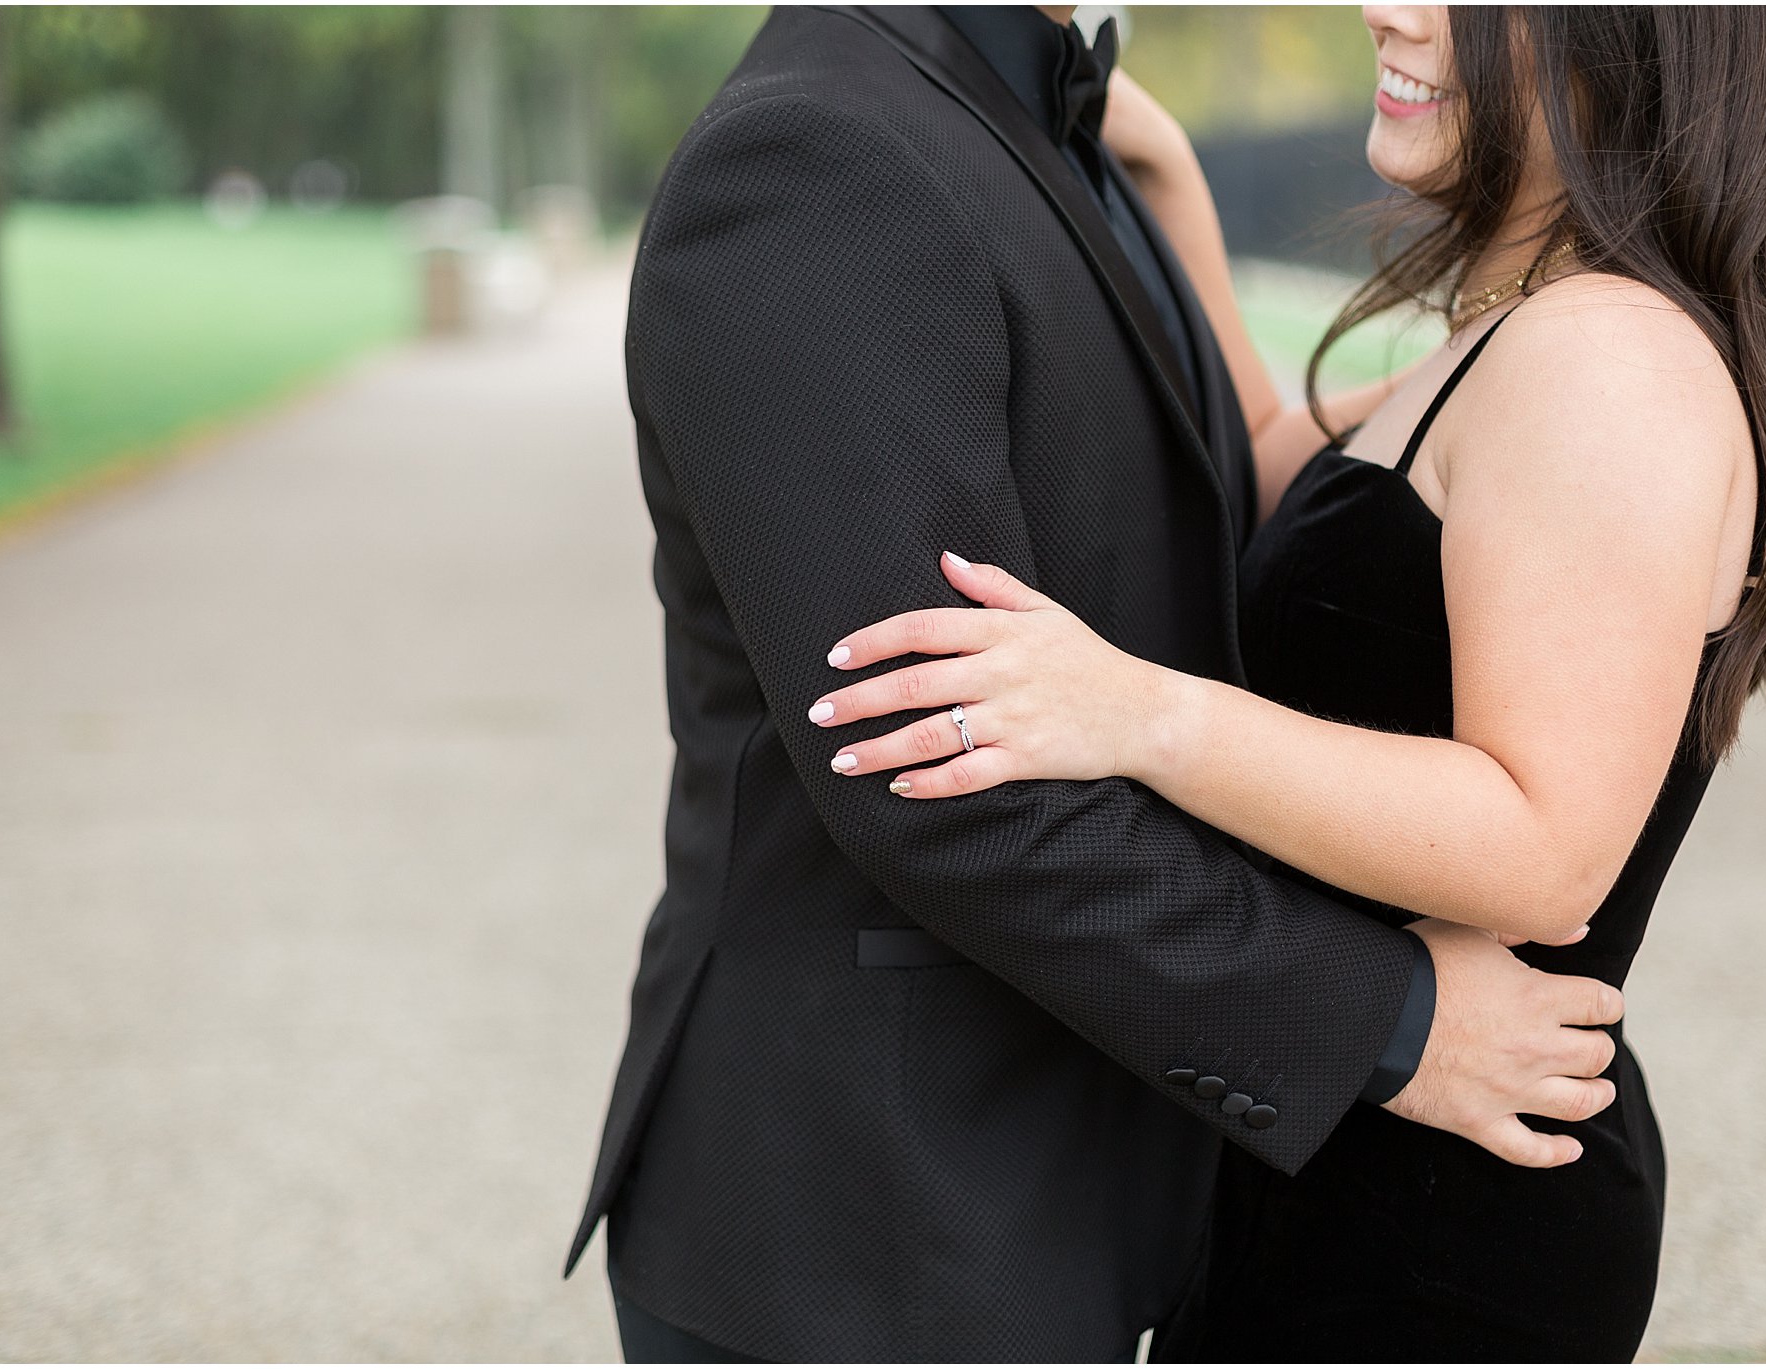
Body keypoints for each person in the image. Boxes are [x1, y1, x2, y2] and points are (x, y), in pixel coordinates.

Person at [562, 4, 1637, 1362]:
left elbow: (1222, 499)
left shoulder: (1050, 126)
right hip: (870, 1231)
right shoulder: (818, 156)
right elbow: (937, 770)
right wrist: (1393, 1019)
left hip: (1046, 1189)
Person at [818, 4, 1766, 1359]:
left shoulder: (1610, 364)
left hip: (1443, 1226)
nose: (1388, 7)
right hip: (1351, 1158)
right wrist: (1170, 178)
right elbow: (1274, 471)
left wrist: (1139, 712)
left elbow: (1549, 845)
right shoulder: (1526, 330)